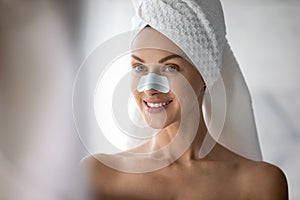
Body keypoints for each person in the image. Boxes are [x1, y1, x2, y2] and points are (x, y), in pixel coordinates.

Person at [82, 0, 288, 199]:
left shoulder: (259, 182)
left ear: (205, 76)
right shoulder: (97, 175)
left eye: (171, 68)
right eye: (139, 67)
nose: (150, 86)